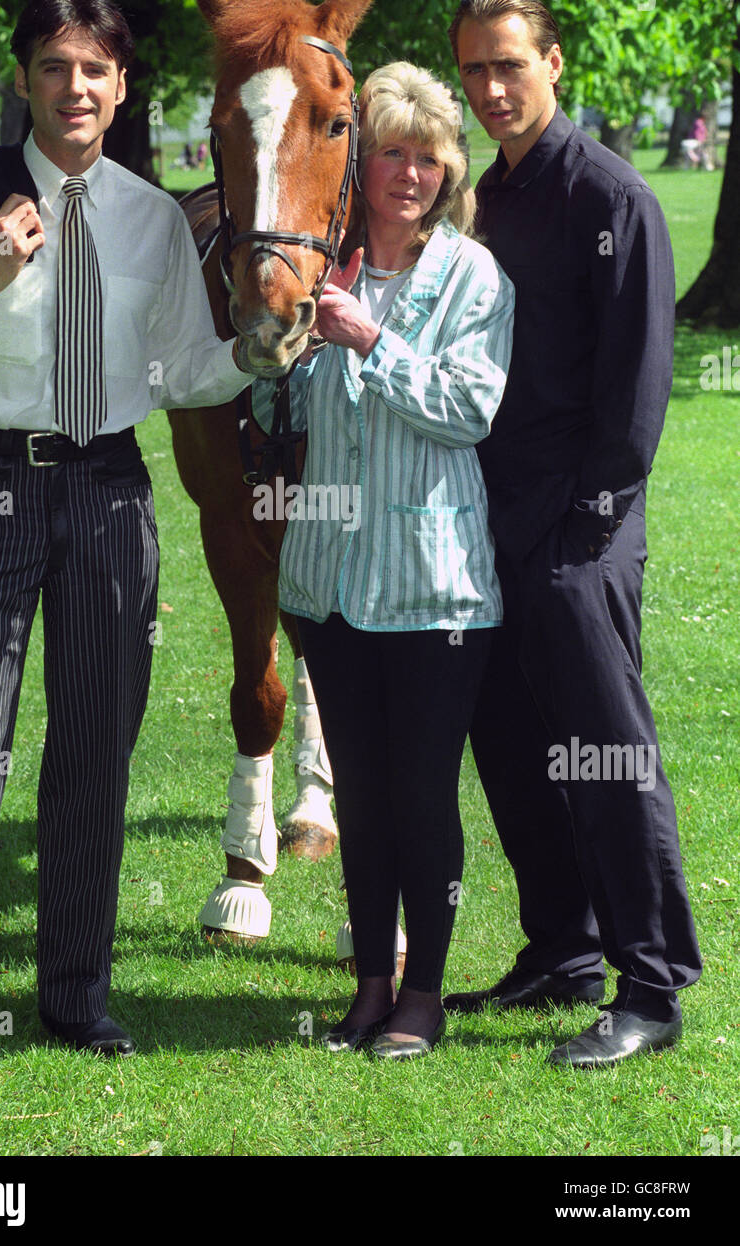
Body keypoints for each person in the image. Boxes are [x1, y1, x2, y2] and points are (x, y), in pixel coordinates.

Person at [0, 0, 273, 1109]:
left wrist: (251, 356)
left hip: (109, 493)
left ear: (120, 84)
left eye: (95, 68)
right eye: (54, 66)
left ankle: (76, 997)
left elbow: (180, 369)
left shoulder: (152, 217)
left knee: (95, 748)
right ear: (25, 80)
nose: (75, 86)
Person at [444, 0, 702, 1066]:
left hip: (578, 520)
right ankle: (560, 946)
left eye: (509, 64)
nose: (491, 89)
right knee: (507, 738)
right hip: (486, 513)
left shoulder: (611, 199)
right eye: (473, 71)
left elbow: (637, 395)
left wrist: (585, 529)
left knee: (601, 750)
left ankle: (648, 983)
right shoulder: (483, 199)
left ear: (552, 62)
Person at [254, 62, 513, 1059]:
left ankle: (426, 993)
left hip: (432, 587)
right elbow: (285, 407)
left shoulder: (472, 278)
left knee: (418, 792)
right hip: (329, 585)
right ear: (360, 168)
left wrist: (368, 341)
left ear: (449, 170)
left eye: (427, 156)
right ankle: (369, 983)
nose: (408, 172)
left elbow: (467, 407)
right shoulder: (327, 266)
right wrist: (283, 350)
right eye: (390, 153)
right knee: (357, 793)